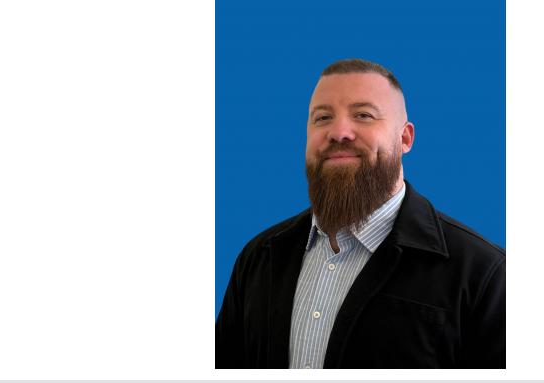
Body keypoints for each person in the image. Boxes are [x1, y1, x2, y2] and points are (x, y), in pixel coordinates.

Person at [215, 59, 505, 369]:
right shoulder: (259, 257)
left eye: (363, 115)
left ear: (405, 138)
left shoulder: (483, 274)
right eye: (323, 117)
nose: (339, 132)